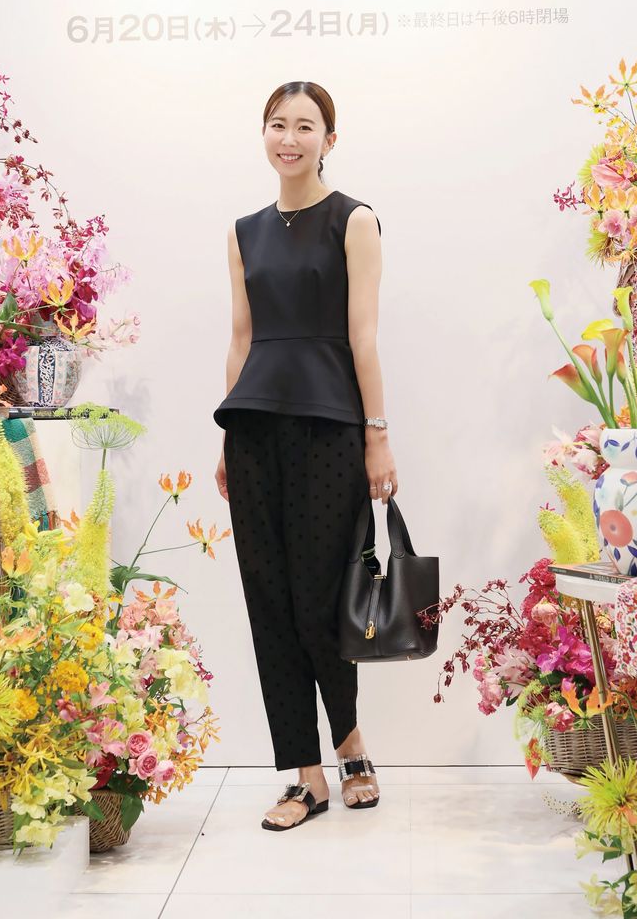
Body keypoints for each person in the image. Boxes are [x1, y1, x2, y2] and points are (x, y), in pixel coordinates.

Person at [213, 80, 398, 830]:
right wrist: (226, 434)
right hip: (254, 428)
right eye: (277, 125)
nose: (289, 138)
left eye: (305, 126)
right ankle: (306, 776)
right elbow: (240, 338)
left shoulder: (354, 220)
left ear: (329, 139)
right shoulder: (242, 231)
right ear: (264, 134)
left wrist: (376, 435)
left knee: (322, 601)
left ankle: (352, 746)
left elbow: (364, 337)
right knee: (270, 604)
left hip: (330, 429)